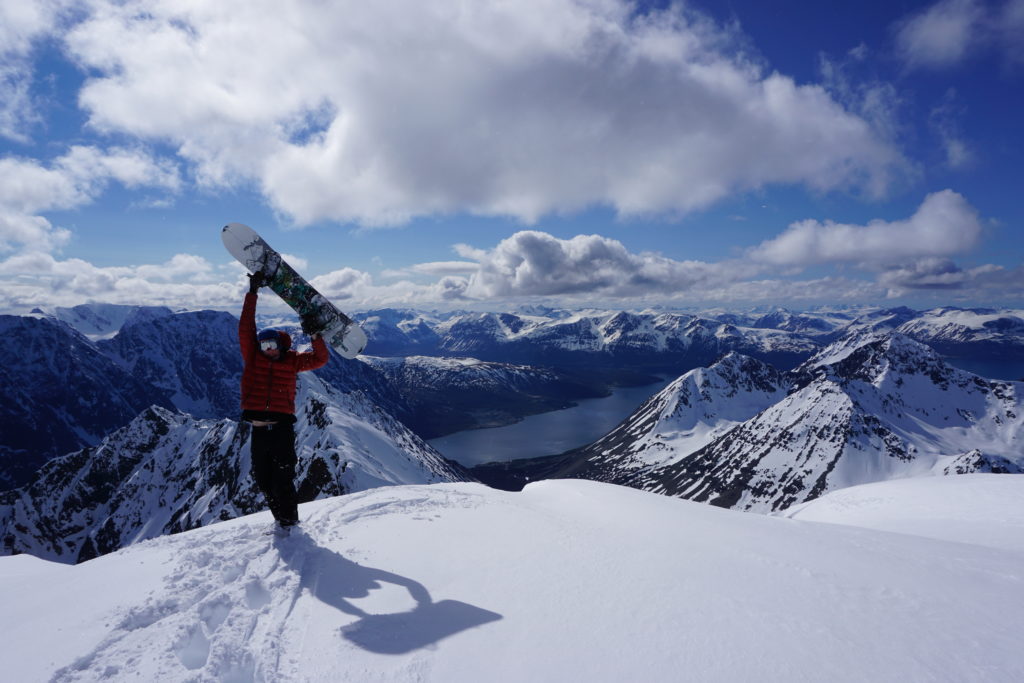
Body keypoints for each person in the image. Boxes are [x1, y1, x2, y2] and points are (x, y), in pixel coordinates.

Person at [239, 271, 329, 532]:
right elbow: (245, 327)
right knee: (264, 479)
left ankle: (289, 522)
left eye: (271, 344)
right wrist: (252, 292)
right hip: (258, 430)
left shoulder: (291, 361)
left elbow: (319, 359)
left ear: (280, 344)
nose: (267, 348)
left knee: (284, 474)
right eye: (263, 343)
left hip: (281, 428)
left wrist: (315, 336)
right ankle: (282, 521)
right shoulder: (253, 357)